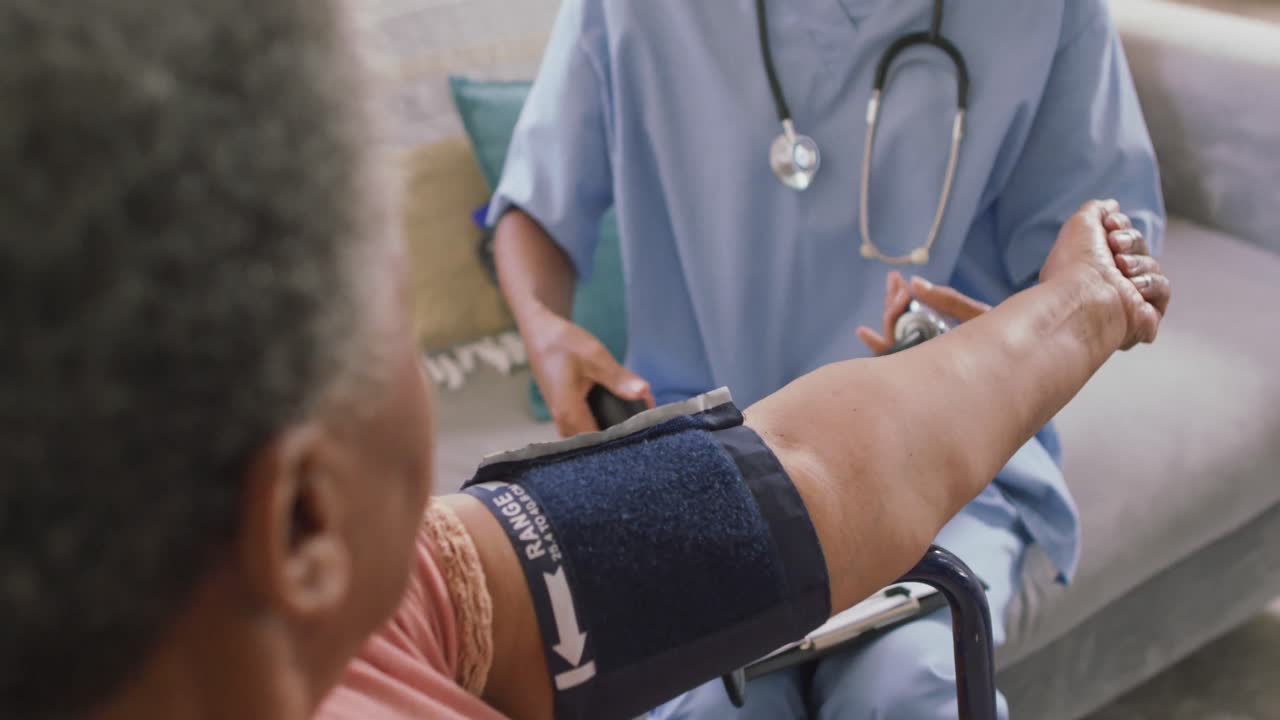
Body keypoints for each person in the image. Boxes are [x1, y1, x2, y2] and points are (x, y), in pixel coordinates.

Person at [0, 1, 1170, 719]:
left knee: (901, 686)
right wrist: (1073, 309)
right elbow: (797, 476)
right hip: (738, 423)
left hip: (910, 471)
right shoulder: (408, 596)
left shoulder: (399, 602)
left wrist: (1060, 309)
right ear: (303, 520)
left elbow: (795, 480)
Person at [490, 0, 1164, 716]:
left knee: (912, 684)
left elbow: (1100, 266)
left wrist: (1027, 330)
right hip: (703, 465)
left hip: (939, 444)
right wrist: (542, 327)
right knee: (713, 707)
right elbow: (535, 199)